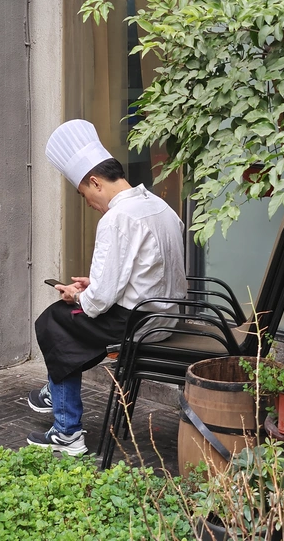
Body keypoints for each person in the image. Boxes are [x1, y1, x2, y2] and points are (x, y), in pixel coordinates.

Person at [26, 119, 187, 456]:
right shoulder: (160, 206)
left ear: (95, 182)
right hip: (167, 316)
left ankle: (67, 431)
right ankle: (56, 391)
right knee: (67, 325)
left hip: (138, 323)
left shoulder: (116, 218)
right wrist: (93, 286)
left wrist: (76, 293)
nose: (87, 203)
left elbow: (97, 303)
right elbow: (147, 273)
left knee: (53, 322)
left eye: (83, 194)